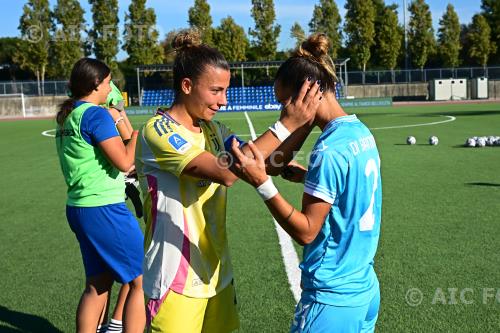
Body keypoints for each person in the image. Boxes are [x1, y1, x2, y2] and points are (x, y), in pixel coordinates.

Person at [135, 29, 322, 333]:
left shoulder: (215, 129)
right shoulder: (158, 131)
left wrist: (302, 123)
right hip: (175, 276)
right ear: (186, 85)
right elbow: (225, 171)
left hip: (217, 274)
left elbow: (264, 162)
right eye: (216, 91)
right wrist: (287, 123)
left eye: (226, 90)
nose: (224, 100)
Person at [230, 33, 382, 333]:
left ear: (302, 96)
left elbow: (307, 232)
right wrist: (305, 174)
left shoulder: (329, 150)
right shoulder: (360, 132)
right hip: (364, 290)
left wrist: (262, 184)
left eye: (283, 104)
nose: (282, 112)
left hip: (331, 300)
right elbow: (278, 164)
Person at [55, 58, 145, 333]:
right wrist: (139, 135)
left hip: (80, 208)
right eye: (107, 83)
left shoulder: (71, 114)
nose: (110, 89)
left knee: (98, 284)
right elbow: (126, 162)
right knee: (141, 280)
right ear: (95, 84)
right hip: (104, 208)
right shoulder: (95, 115)